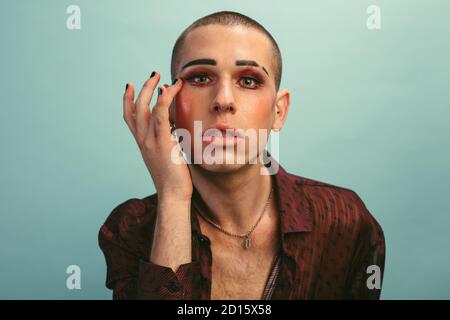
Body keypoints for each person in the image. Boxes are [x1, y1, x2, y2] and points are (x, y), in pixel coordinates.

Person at [98, 10, 385, 300]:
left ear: (278, 110)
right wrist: (172, 196)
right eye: (200, 78)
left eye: (248, 81)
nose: (223, 100)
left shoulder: (344, 219)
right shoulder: (131, 229)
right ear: (170, 107)